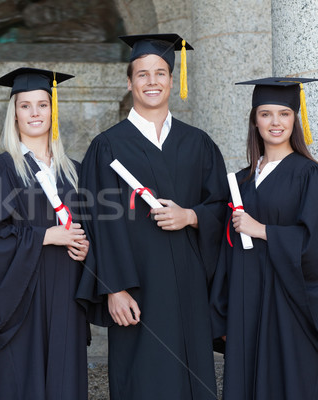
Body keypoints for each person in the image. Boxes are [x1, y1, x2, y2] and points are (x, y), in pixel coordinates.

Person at [77, 34, 229, 399]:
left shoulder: (198, 143)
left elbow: (223, 206)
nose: (152, 82)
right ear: (129, 82)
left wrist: (191, 216)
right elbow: (97, 224)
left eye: (160, 73)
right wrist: (113, 287)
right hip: (136, 291)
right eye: (142, 74)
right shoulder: (107, 146)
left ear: (172, 80)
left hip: (190, 290)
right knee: (142, 381)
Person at [0, 68, 90, 399]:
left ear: (54, 111)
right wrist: (46, 236)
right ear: (14, 114)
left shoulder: (74, 171)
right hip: (20, 299)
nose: (35, 113)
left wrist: (85, 246)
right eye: (25, 106)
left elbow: (89, 228)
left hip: (66, 294)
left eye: (42, 105)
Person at [210, 77, 318, 399]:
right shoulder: (242, 180)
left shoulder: (308, 174)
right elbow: (225, 253)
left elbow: (315, 244)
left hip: (288, 305)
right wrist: (224, 310)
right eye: (266, 114)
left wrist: (263, 231)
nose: (275, 122)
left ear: (295, 120)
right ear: (254, 120)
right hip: (246, 303)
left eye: (284, 114)